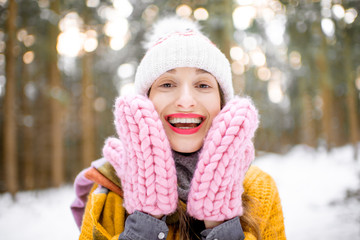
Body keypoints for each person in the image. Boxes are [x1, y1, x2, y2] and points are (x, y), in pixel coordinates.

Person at [71, 16, 286, 240]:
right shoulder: (108, 193)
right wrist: (147, 215)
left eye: (203, 85)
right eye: (167, 84)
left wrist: (219, 218)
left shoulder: (259, 189)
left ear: (222, 104)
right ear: (145, 102)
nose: (185, 100)